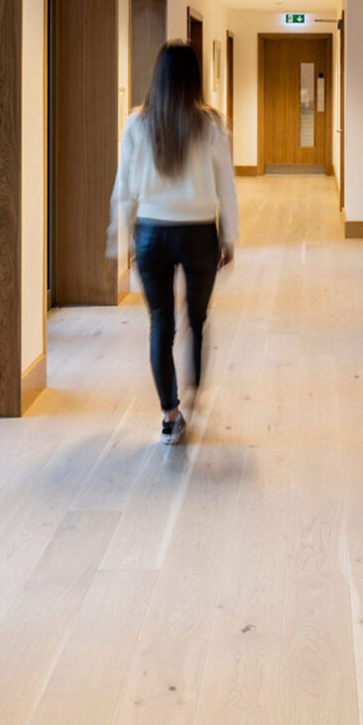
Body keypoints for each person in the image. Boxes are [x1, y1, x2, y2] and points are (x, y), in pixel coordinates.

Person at [107, 41, 239, 445]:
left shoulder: (136, 123)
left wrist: (124, 235)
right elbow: (226, 187)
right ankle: (195, 384)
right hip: (199, 232)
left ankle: (170, 414)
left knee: (159, 324)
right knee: (196, 318)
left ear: (158, 77)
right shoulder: (212, 124)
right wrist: (229, 236)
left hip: (151, 233)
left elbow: (124, 188)